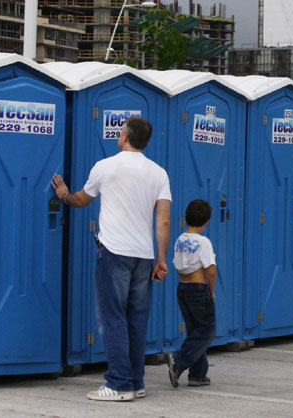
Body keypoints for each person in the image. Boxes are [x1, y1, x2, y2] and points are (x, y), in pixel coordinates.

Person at [51, 117, 171, 402]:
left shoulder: (106, 166)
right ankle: (136, 381)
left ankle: (118, 384)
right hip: (144, 256)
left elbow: (81, 199)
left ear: (125, 137)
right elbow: (163, 220)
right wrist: (161, 260)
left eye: (121, 131)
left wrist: (64, 194)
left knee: (112, 318)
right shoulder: (158, 173)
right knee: (136, 321)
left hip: (114, 252)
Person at [166, 199, 217, 388]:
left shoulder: (180, 239)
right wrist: (211, 291)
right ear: (206, 221)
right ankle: (178, 361)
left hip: (183, 289)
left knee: (195, 332)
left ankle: (197, 375)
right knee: (207, 332)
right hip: (198, 289)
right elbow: (210, 270)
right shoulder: (203, 242)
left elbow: (178, 265)